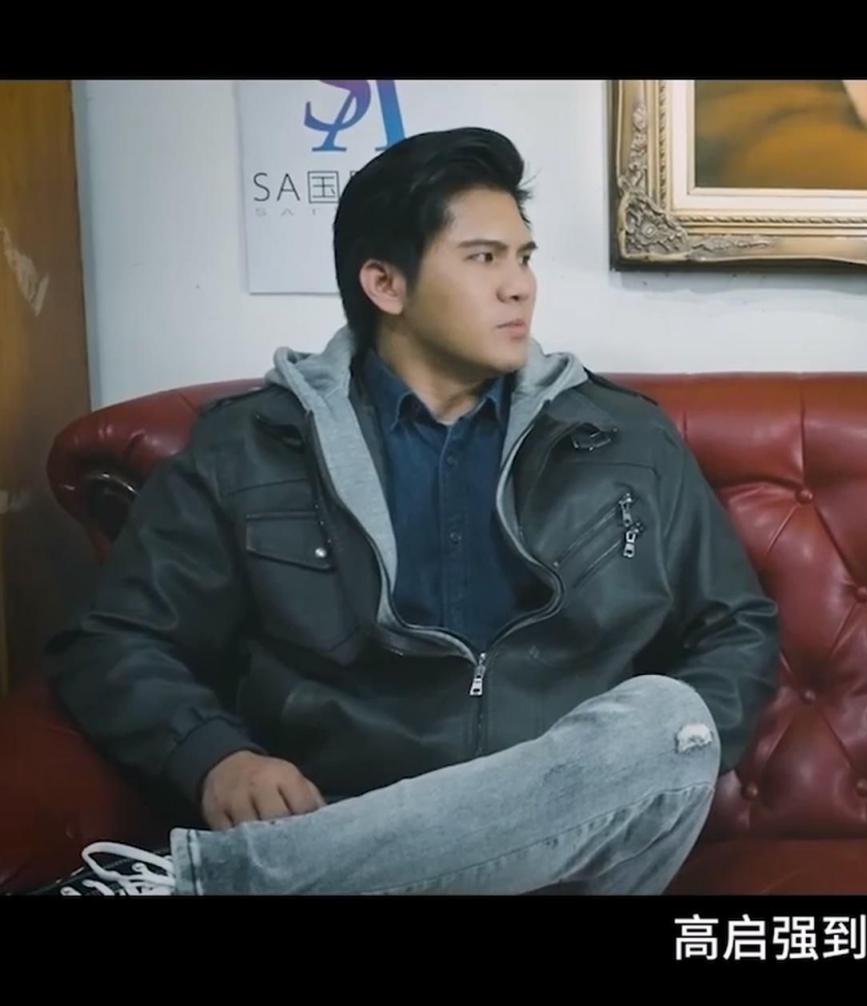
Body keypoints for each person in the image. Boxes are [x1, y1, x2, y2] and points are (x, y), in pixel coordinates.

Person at [32, 126, 779, 896]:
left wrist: (654, 764)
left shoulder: (624, 439)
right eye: (483, 258)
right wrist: (216, 756)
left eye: (523, 258)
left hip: (577, 845)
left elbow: (737, 626)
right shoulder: (252, 448)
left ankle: (207, 887)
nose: (520, 286)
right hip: (348, 820)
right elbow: (114, 642)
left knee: (670, 725)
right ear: (386, 285)